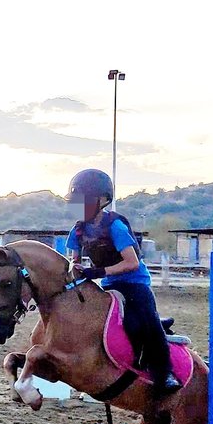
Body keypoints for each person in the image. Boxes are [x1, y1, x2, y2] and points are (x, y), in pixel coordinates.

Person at [63, 168, 181, 396]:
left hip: (134, 283)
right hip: (107, 285)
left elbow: (132, 263)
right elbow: (74, 261)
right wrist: (76, 269)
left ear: (102, 200)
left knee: (143, 323)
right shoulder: (77, 231)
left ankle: (164, 373)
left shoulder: (115, 226)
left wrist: (98, 271)